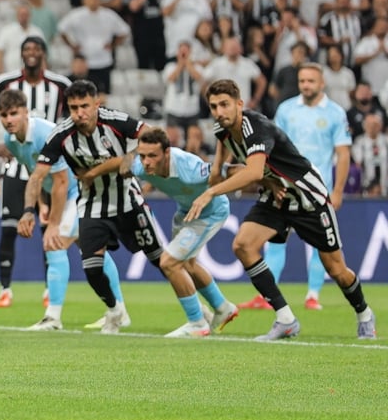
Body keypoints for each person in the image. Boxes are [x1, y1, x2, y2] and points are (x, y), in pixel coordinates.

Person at [187, 79, 376, 340]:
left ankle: (364, 313)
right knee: (243, 245)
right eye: (214, 106)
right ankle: (285, 319)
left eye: (225, 105)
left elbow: (252, 170)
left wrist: (211, 191)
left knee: (336, 270)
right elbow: (223, 159)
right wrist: (219, 170)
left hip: (308, 197)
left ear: (239, 104)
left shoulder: (258, 128)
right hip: (276, 195)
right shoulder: (222, 127)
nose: (219, 112)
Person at [23, 80, 162, 335]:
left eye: (85, 106)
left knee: (163, 261)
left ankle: (201, 311)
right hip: (92, 205)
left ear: (97, 104)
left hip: (127, 199)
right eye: (74, 108)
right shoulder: (61, 134)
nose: (80, 113)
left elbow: (153, 135)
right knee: (92, 268)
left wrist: (131, 157)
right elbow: (37, 176)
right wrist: (28, 211)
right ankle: (114, 309)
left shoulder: (116, 120)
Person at [0, 89, 125, 331]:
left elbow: (62, 181)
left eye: (14, 113)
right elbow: (36, 175)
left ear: (26, 112)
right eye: (3, 115)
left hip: (80, 192)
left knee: (53, 243)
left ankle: (53, 317)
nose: (9, 119)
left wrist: (53, 223)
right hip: (61, 195)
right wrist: (42, 205)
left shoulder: (45, 133)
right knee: (93, 251)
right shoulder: (9, 141)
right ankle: (119, 309)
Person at [0, 36, 72, 308]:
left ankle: (51, 290)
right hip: (18, 164)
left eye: (36, 48)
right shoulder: (5, 82)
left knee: (49, 229)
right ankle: (5, 289)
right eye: (26, 49)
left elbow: (76, 115)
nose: (31, 53)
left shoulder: (61, 85)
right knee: (9, 228)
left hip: (53, 167)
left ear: (44, 53)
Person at [242, 63, 352, 311]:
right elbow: (271, 146)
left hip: (317, 190)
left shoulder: (335, 113)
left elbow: (343, 153)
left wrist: (337, 191)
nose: (306, 85)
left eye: (311, 81)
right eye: (302, 81)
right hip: (285, 187)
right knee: (275, 240)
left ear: (321, 83)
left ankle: (312, 295)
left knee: (320, 246)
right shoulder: (286, 109)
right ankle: (267, 297)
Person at [132, 127, 239, 337]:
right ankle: (223, 307)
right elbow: (120, 165)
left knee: (169, 263)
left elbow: (230, 170)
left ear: (167, 153)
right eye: (143, 156)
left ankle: (197, 322)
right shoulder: (139, 167)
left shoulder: (189, 167)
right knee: (187, 265)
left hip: (210, 212)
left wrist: (267, 179)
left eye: (153, 156)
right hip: (185, 212)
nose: (146, 162)